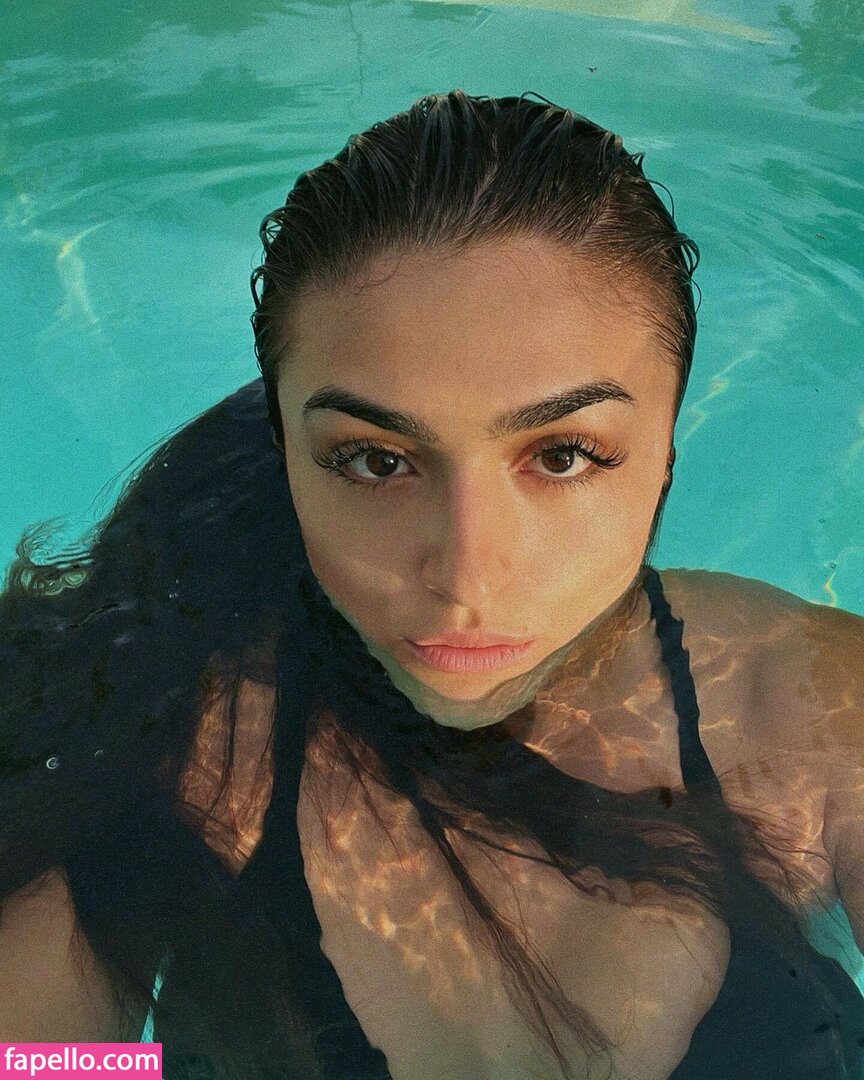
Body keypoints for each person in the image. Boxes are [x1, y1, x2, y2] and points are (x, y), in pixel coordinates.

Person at [2, 89, 864, 1080]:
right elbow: (34, 1063)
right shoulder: (179, 746)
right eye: (376, 461)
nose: (463, 574)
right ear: (286, 450)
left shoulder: (814, 710)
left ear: (669, 444)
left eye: (564, 455)